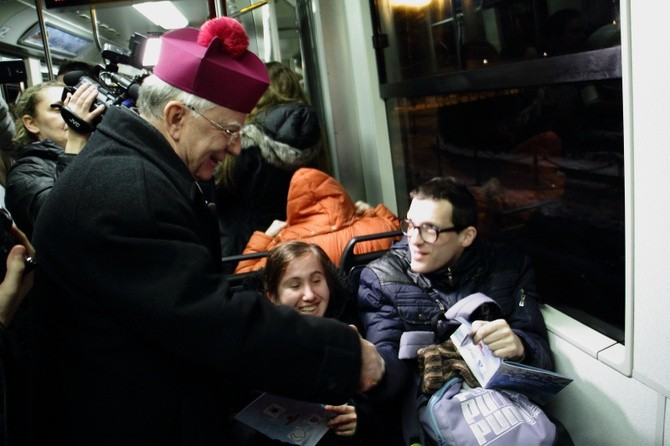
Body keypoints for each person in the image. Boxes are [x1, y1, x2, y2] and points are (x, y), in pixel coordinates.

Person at [28, 17, 383, 446]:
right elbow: (207, 316)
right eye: (230, 130)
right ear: (177, 117)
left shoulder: (131, 167)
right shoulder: (127, 192)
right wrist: (340, 354)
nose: (236, 147)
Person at [356, 176, 554, 444]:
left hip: (503, 409)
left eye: (430, 230)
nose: (414, 240)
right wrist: (378, 369)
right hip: (434, 416)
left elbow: (543, 361)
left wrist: (522, 348)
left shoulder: (509, 266)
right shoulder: (383, 278)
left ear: (466, 236)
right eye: (410, 226)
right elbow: (392, 363)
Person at [231, 241, 388, 445]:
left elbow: (382, 409)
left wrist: (360, 419)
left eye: (316, 280)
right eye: (295, 285)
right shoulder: (253, 346)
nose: (309, 295)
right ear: (272, 296)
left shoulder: (351, 332)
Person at [216, 61, 322, 263]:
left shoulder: (244, 139)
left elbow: (221, 189)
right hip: (298, 238)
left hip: (245, 243)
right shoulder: (311, 137)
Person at [234, 167, 400, 273]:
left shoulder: (284, 246)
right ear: (338, 192)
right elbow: (401, 233)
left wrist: (265, 237)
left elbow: (245, 279)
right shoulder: (379, 227)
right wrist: (375, 212)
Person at [4, 80, 104, 238]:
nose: (73, 113)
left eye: (75, 105)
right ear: (31, 123)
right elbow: (63, 222)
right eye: (59, 108)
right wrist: (76, 135)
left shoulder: (100, 153)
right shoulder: (24, 175)